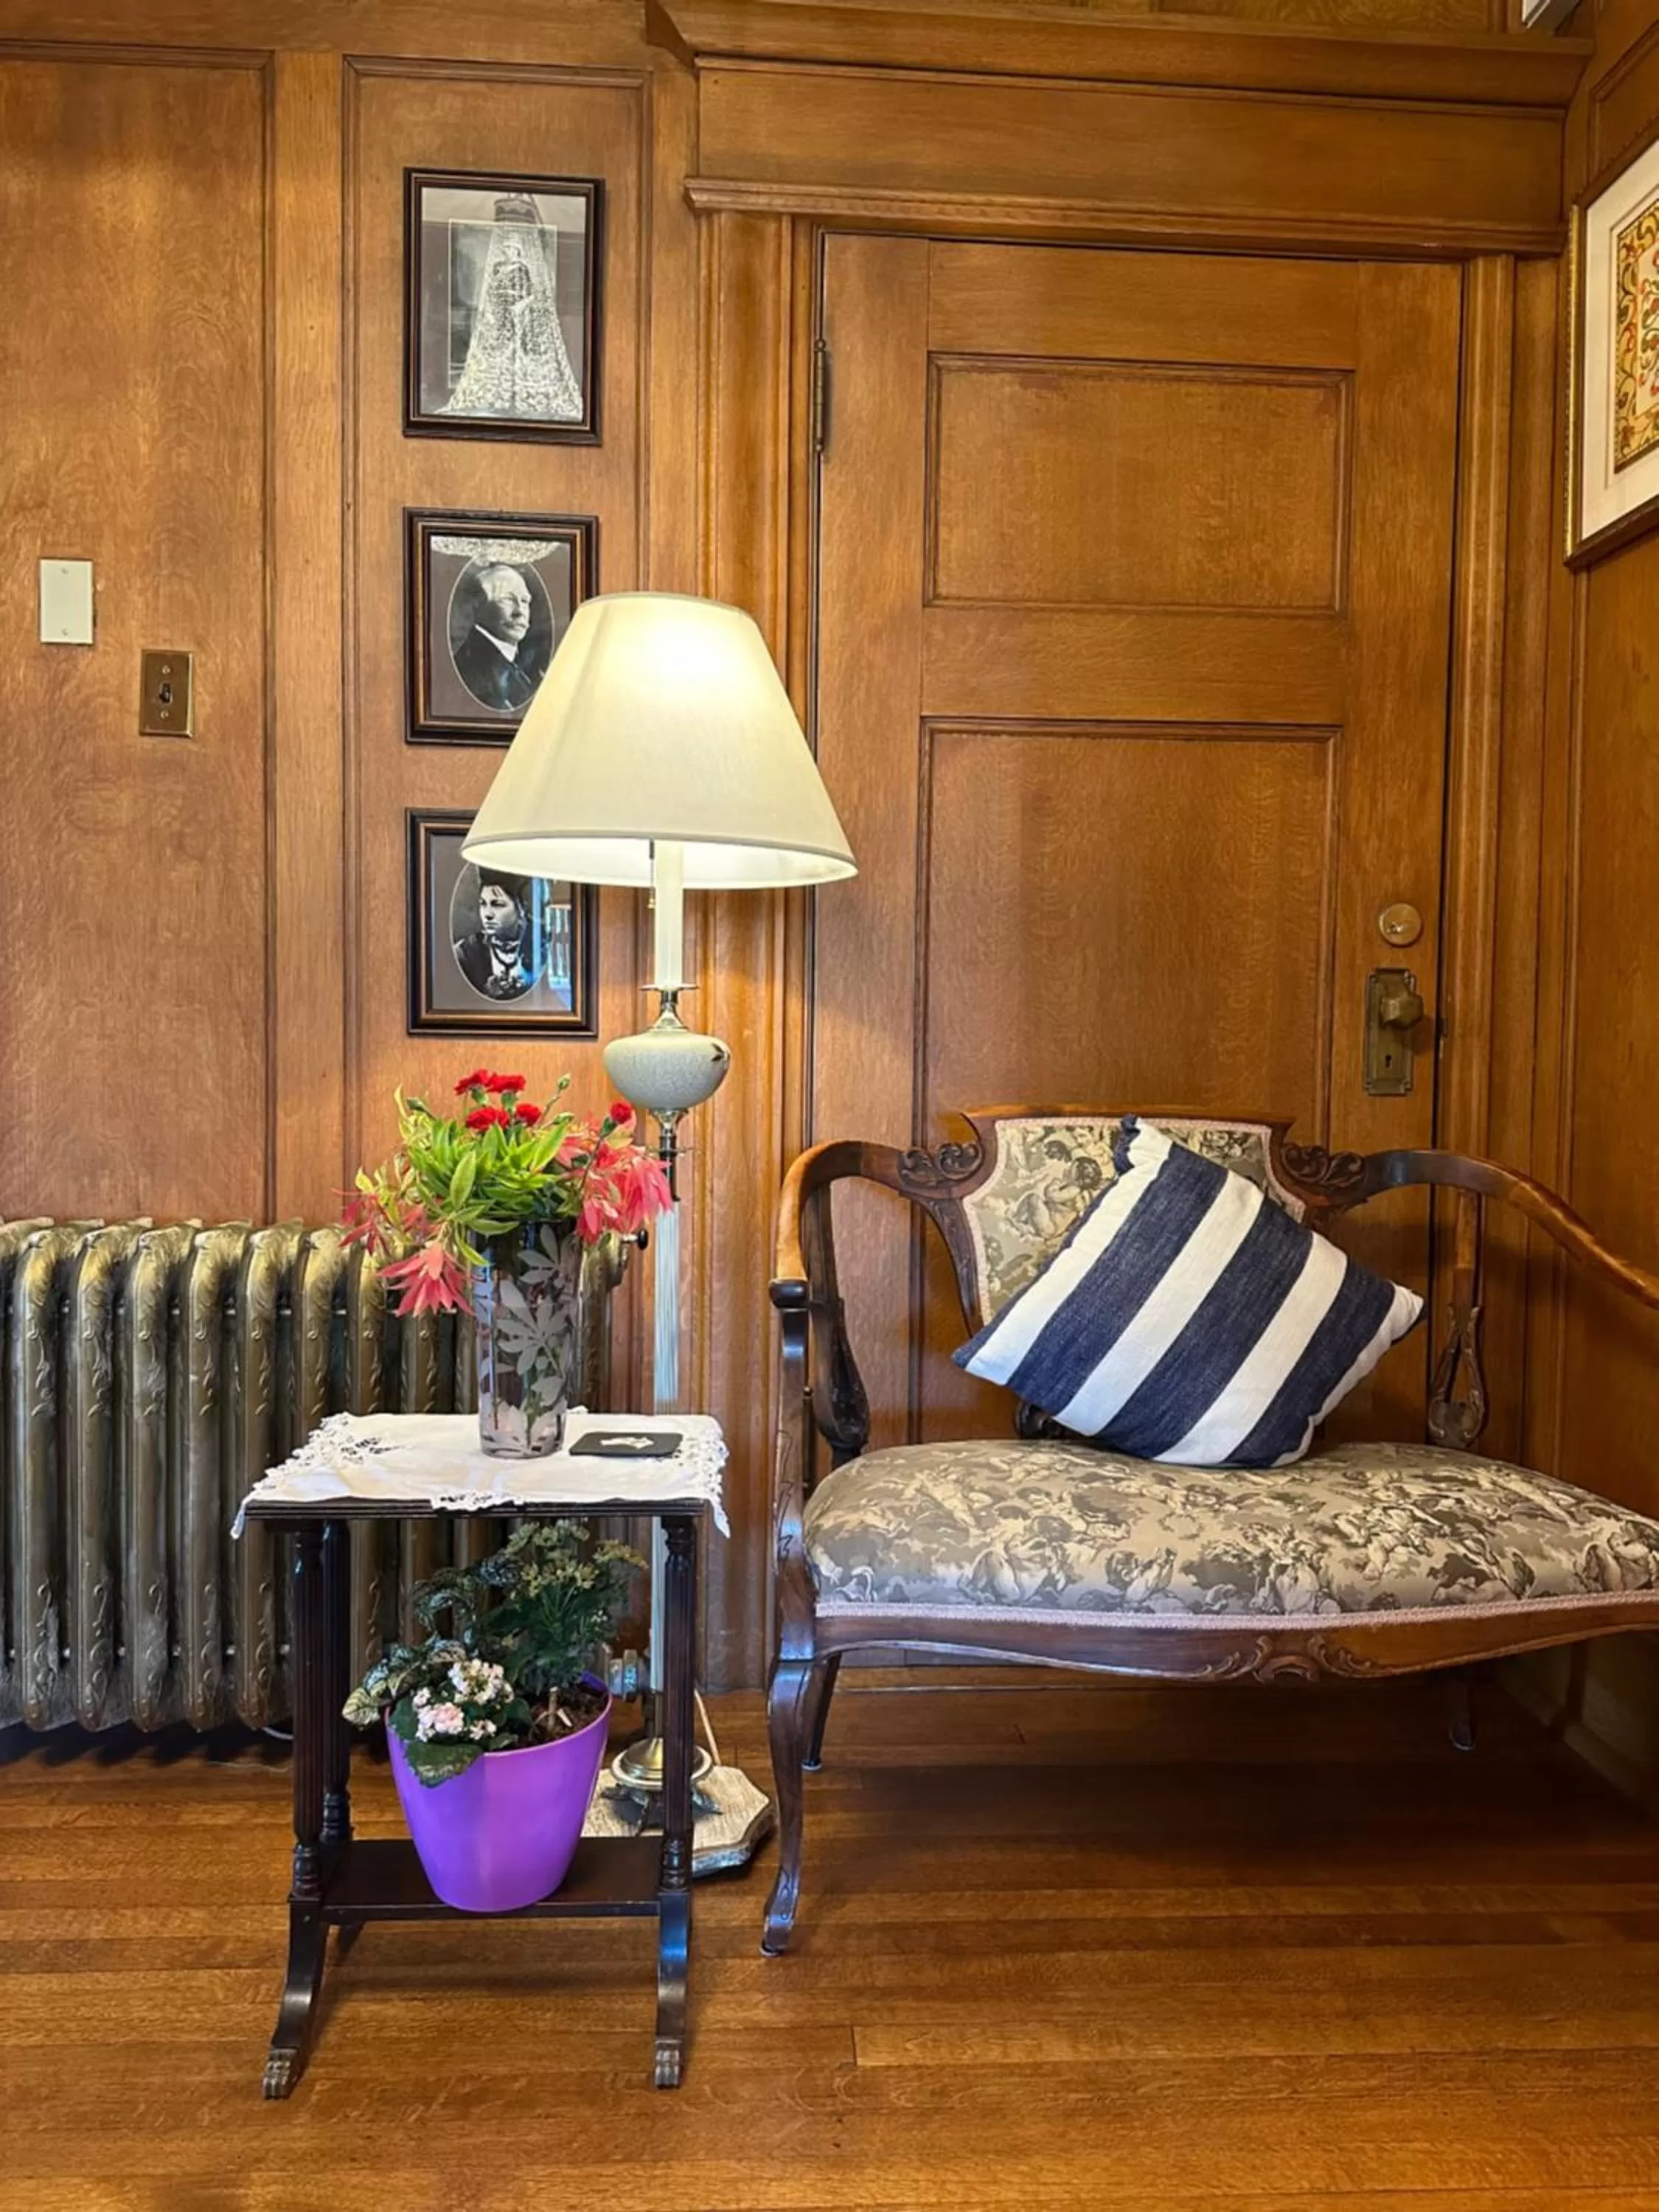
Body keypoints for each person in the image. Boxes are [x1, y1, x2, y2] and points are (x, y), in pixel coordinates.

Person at [449, 562, 548, 714]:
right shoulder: (471, 668)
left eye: (524, 601)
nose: (520, 612)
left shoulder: (522, 667)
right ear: (479, 606)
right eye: (507, 599)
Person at [451, 867, 547, 1001]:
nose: (487, 914)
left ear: (521, 907)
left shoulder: (543, 943)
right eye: (483, 904)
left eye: (497, 904)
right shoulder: (467, 952)